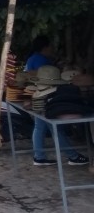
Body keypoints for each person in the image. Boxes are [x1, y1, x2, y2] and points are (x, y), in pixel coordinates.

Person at [25, 36, 89, 166]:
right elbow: (48, 81)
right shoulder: (41, 60)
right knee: (54, 128)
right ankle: (72, 156)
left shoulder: (32, 58)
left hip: (38, 96)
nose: (52, 49)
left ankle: (39, 156)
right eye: (51, 46)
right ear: (45, 47)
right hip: (46, 97)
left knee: (40, 126)